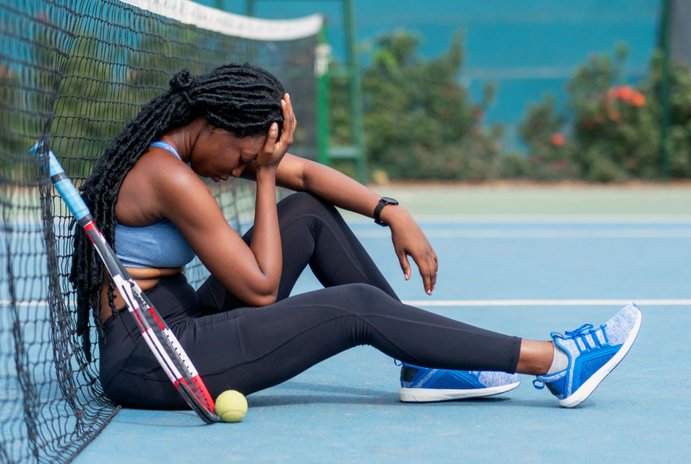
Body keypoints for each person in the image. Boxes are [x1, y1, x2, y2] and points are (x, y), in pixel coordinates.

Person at [72, 64, 641, 410]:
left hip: (179, 324)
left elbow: (307, 177)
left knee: (307, 213)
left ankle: (423, 363)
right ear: (216, 125)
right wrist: (265, 173)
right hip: (156, 361)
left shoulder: (193, 149)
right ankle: (554, 362)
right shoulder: (170, 175)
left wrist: (390, 211)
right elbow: (263, 288)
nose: (239, 169)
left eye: (252, 161)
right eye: (245, 156)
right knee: (356, 308)